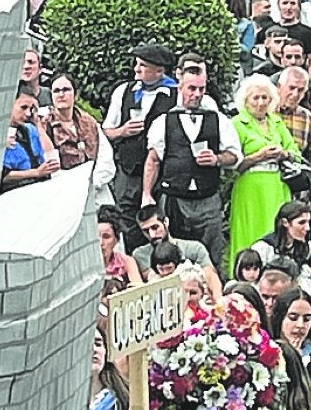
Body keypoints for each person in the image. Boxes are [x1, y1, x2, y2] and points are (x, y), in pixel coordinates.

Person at [142, 58, 241, 268]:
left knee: (213, 252)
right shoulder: (164, 121)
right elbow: (153, 160)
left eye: (201, 89)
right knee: (172, 251)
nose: (196, 94)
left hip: (207, 197)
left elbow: (234, 156)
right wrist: (147, 194)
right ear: (180, 87)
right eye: (191, 88)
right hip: (174, 198)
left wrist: (216, 159)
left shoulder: (218, 119)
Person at [102, 43, 177, 232]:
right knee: (124, 222)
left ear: (159, 70)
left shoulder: (176, 95)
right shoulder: (123, 91)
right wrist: (123, 131)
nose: (136, 69)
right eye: (137, 64)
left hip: (163, 174)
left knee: (162, 223)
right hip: (128, 174)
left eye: (142, 65)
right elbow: (106, 131)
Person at [229, 74, 299, 265]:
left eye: (264, 98)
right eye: (255, 98)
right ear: (246, 100)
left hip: (277, 184)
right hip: (250, 185)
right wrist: (259, 155)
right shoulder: (237, 123)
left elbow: (295, 152)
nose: (260, 103)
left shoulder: (276, 122)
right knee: (250, 229)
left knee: (276, 226)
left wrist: (283, 153)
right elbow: (233, 163)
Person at [130, 204, 222, 295]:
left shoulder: (194, 248)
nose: (152, 235)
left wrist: (219, 302)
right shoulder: (140, 255)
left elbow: (210, 276)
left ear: (165, 222)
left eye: (155, 227)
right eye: (146, 231)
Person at [0, 90, 59, 191]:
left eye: (31, 109)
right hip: (14, 190)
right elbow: (2, 176)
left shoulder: (30, 129)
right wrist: (36, 172)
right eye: (23, 108)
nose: (28, 113)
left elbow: (52, 158)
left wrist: (38, 125)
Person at [97, 205, 142, 293]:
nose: (101, 243)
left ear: (116, 240)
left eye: (106, 237)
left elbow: (139, 290)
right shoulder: (85, 268)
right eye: (96, 237)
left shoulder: (127, 261)